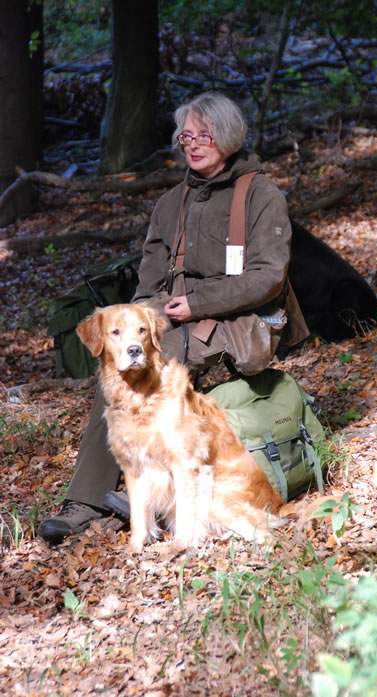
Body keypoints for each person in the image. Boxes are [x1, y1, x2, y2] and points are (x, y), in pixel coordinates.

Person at [39, 91, 308, 544]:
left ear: (228, 137)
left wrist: (197, 303)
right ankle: (103, 496)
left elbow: (269, 278)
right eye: (186, 136)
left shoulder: (260, 194)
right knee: (120, 361)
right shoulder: (170, 203)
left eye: (204, 135)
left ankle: (108, 499)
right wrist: (149, 318)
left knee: (156, 359)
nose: (192, 144)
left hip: (244, 323)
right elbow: (147, 287)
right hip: (176, 320)